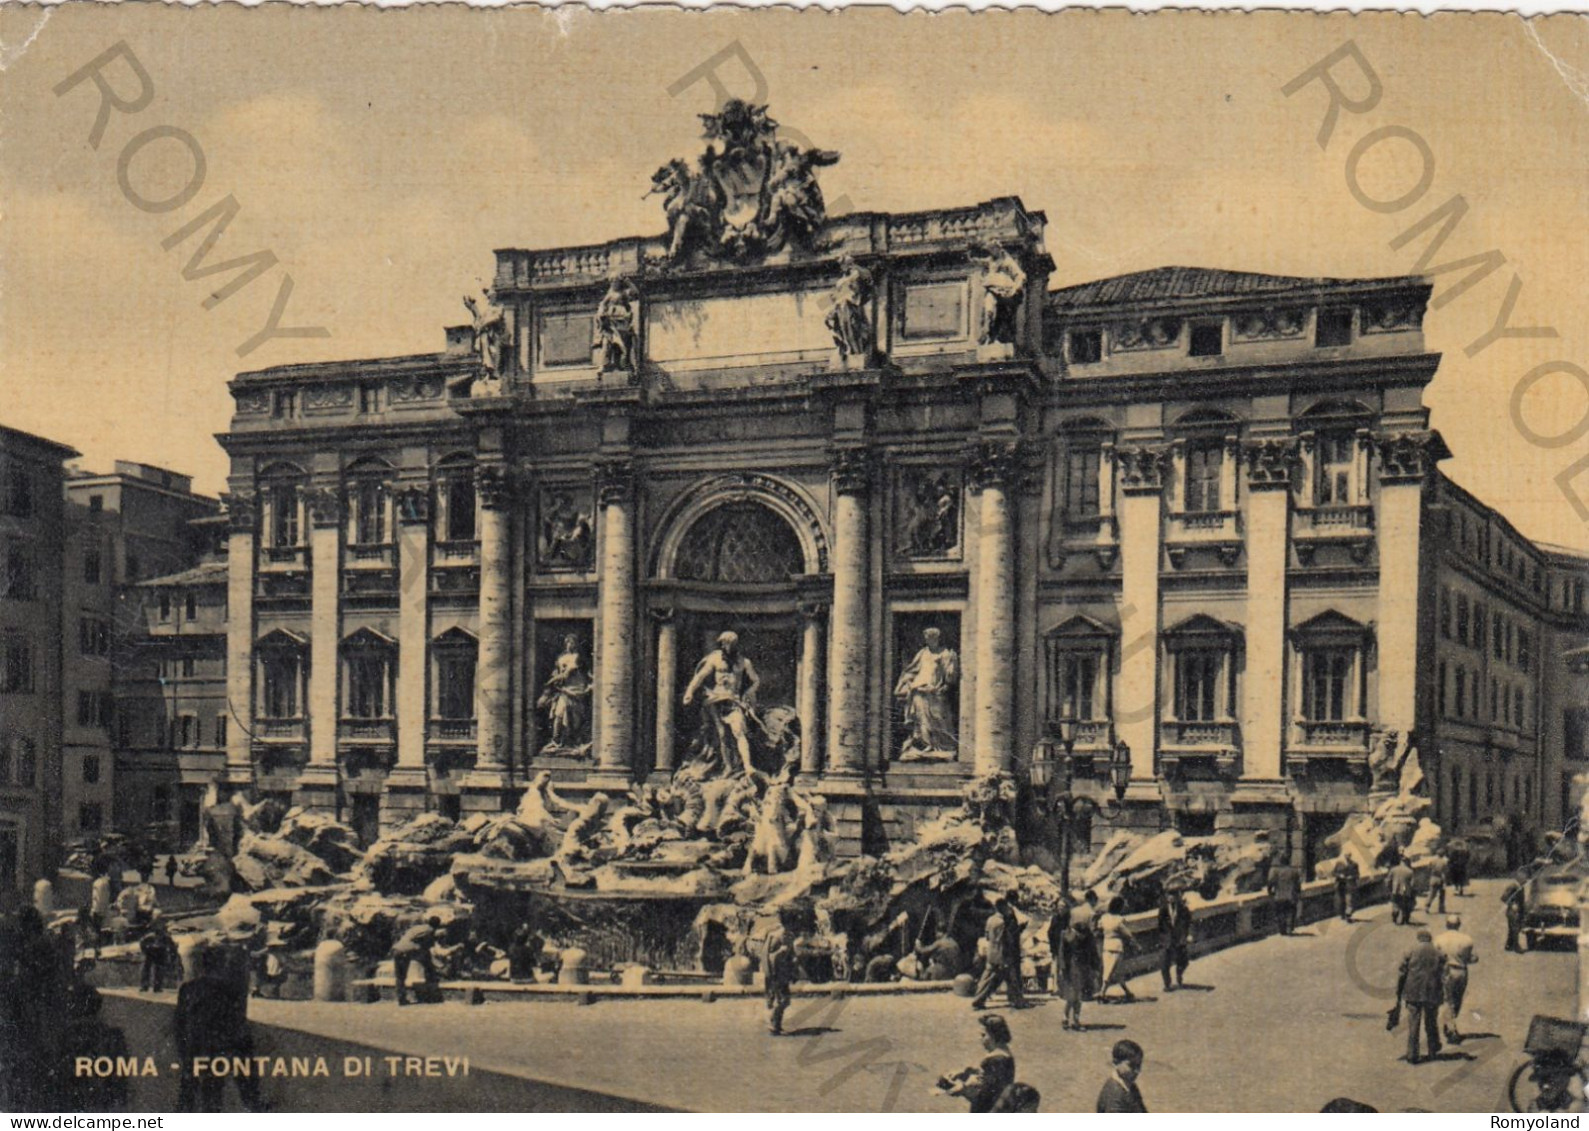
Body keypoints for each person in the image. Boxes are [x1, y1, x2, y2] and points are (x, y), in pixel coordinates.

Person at [173, 945, 261, 1112]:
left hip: (194, 1047)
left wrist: (183, 1049)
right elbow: (237, 1022)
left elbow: (179, 1022)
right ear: (221, 965)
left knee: (188, 1092)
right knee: (212, 1094)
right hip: (217, 1048)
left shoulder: (188, 988)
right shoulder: (231, 989)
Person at [682, 631, 761, 777]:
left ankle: (748, 766)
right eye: (724, 643)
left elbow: (756, 680)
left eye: (730, 643)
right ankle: (728, 766)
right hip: (716, 699)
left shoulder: (744, 662)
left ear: (735, 644)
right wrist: (689, 692)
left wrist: (749, 692)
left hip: (733, 700)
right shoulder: (714, 659)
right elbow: (700, 676)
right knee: (722, 734)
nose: (727, 646)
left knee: (738, 730)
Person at [893, 628, 960, 761]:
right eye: (927, 637)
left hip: (935, 693)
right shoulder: (922, 653)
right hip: (918, 691)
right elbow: (912, 670)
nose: (929, 640)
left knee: (939, 718)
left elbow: (950, 677)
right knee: (921, 719)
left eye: (932, 637)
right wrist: (906, 682)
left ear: (938, 638)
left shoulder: (946, 654)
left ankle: (944, 746)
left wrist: (941, 688)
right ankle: (926, 745)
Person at [940, 1013, 1017, 1112]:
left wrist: (960, 1088)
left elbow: (981, 1095)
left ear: (994, 1035)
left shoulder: (993, 1060)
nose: (980, 1039)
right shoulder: (1005, 1054)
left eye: (983, 1035)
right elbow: (992, 1079)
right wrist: (968, 1071)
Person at [1394, 929, 1446, 1064]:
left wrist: (1399, 990)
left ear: (1419, 938)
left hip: (1413, 991)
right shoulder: (1438, 952)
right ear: (1430, 939)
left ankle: (1412, 1054)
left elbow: (1401, 971)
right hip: (1432, 991)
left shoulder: (1410, 950)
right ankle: (1433, 1050)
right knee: (1431, 1021)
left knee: (1414, 1023)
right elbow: (1444, 973)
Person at [971, 897, 1025, 1010]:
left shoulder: (990, 919)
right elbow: (1004, 940)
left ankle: (978, 999)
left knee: (987, 979)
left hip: (991, 952)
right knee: (1011, 978)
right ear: (1003, 907)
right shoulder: (1002, 922)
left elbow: (987, 936)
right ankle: (1017, 1001)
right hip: (1001, 954)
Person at [1433, 914, 1478, 1044]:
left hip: (1446, 971)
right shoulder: (1467, 940)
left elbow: (1436, 957)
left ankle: (1450, 1025)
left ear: (1447, 924)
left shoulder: (1438, 939)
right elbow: (1471, 958)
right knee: (1457, 999)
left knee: (1448, 1000)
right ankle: (1451, 1027)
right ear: (1458, 925)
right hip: (1461, 971)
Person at [1054, 901, 1096, 1031]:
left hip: (1078, 968)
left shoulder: (1078, 933)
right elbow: (1062, 954)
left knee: (1076, 996)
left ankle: (1069, 1018)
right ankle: (1070, 1019)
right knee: (1074, 996)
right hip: (1072, 968)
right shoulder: (1068, 935)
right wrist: (1062, 969)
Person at [391, 916, 441, 1006]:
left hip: (397, 949)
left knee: (400, 977)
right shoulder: (430, 930)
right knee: (403, 975)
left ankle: (401, 998)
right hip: (405, 952)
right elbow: (425, 946)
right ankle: (430, 994)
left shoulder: (419, 927)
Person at [1096, 897, 1137, 1003]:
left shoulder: (1104, 918)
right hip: (1117, 946)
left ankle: (1127, 992)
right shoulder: (1119, 920)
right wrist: (1136, 944)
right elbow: (1128, 934)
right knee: (1112, 971)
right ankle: (1102, 993)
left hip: (1106, 945)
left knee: (1110, 970)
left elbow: (1099, 928)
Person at [763, 915, 797, 1035]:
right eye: (789, 924)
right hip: (775, 972)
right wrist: (779, 951)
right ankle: (772, 1020)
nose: (791, 927)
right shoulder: (775, 936)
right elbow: (768, 956)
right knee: (781, 1000)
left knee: (785, 1000)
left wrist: (793, 962)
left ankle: (777, 1025)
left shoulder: (790, 936)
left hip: (785, 972)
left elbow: (792, 953)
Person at [1096, 1039, 1149, 1113]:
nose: (1137, 1070)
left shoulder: (1130, 1086)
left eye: (1138, 1065)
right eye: (1132, 1066)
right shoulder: (1114, 1094)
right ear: (1116, 1063)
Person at [1158, 887, 1193, 991]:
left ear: (1177, 897)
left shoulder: (1183, 908)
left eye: (1173, 895)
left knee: (1184, 961)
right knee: (1164, 962)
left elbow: (1189, 923)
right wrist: (1162, 939)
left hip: (1179, 938)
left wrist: (1189, 934)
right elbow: (1160, 925)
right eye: (1169, 895)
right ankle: (1167, 984)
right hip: (1167, 939)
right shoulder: (1163, 909)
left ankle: (1179, 974)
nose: (1171, 898)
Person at [138, 914, 175, 993]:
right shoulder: (163, 935)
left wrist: (144, 950)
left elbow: (142, 943)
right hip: (157, 952)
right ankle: (155, 987)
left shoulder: (151, 934)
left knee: (149, 969)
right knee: (156, 969)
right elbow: (171, 944)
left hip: (152, 951)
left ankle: (146, 986)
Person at [1267, 858, 1303, 936]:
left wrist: (1270, 892)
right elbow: (1298, 884)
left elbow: (1270, 882)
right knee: (1291, 912)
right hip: (1291, 896)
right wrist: (1298, 893)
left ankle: (1282, 930)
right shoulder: (1294, 871)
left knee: (1280, 912)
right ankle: (1289, 928)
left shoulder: (1276, 871)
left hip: (1279, 896)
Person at [1389, 858, 1417, 926]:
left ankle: (1395, 917)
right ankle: (1404, 920)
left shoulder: (1393, 869)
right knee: (1405, 906)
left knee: (1395, 904)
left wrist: (1390, 888)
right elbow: (1412, 884)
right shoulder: (1410, 871)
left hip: (1395, 890)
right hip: (1405, 891)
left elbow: (1388, 880)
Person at [1333, 856, 1360, 922]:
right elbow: (1333, 873)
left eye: (1348, 856)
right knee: (1341, 901)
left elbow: (1357, 874)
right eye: (1346, 856)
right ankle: (1343, 914)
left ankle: (1348, 915)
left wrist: (1352, 877)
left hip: (1349, 885)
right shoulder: (1339, 864)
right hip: (1340, 885)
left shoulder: (1354, 864)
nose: (1347, 858)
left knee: (1349, 900)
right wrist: (1339, 875)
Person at [1503, 881, 1526, 953]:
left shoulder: (1521, 886)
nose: (1525, 879)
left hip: (1518, 911)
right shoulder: (1513, 885)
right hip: (1513, 911)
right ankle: (1516, 946)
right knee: (1515, 928)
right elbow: (1504, 897)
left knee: (1512, 928)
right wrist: (1512, 904)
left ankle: (1509, 944)